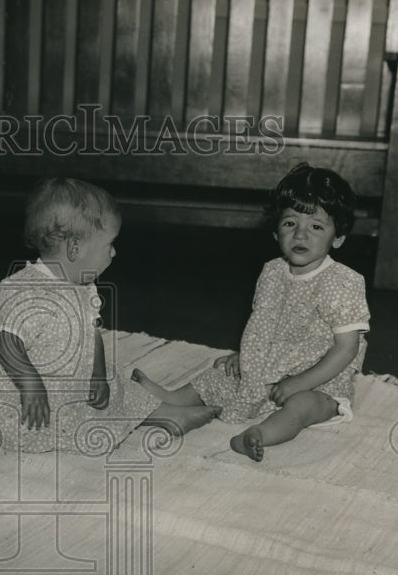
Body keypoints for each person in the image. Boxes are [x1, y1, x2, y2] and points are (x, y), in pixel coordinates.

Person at [0, 177, 220, 454]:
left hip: (68, 380)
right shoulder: (25, 290)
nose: (114, 251)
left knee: (113, 385)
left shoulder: (82, 286)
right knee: (71, 421)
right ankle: (161, 414)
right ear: (75, 249)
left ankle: (167, 412)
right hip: (27, 395)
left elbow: (90, 334)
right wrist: (31, 385)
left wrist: (96, 373)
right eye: (109, 244)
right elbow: (7, 341)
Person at [133, 163, 370, 461]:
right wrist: (249, 355)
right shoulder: (272, 272)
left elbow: (346, 350)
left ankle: (258, 435)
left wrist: (301, 381)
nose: (300, 234)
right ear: (275, 231)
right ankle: (173, 399)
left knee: (304, 406)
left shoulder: (341, 282)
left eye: (316, 226)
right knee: (218, 377)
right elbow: (265, 325)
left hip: (320, 378)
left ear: (338, 237)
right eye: (289, 224)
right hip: (269, 368)